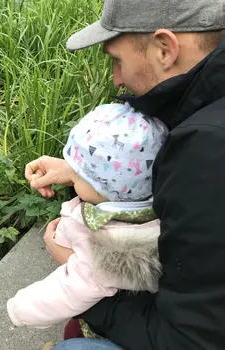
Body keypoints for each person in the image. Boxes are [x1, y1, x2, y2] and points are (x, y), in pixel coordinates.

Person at [25, 0, 225, 348]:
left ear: (165, 48)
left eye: (117, 60)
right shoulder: (207, 109)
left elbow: (187, 340)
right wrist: (79, 171)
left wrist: (85, 276)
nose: (116, 78)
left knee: (73, 347)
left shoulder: (206, 150)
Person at [7, 102, 168, 331]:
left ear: (102, 187)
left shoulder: (109, 250)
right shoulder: (150, 208)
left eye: (78, 175)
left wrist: (19, 308)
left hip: (117, 323)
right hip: (139, 307)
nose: (73, 178)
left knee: (73, 331)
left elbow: (67, 290)